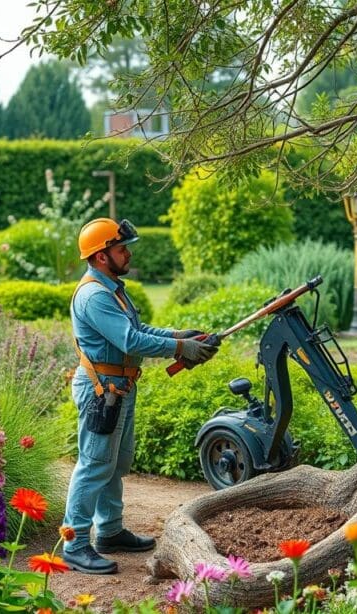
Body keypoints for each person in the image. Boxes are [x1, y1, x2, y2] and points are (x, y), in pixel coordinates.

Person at [62, 217, 218, 574]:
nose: (128, 253)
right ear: (101, 256)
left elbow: (137, 329)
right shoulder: (93, 295)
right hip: (102, 390)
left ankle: (111, 531)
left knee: (114, 464)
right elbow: (130, 341)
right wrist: (181, 347)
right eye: (121, 248)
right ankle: (75, 543)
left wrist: (180, 336)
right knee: (94, 465)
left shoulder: (112, 288)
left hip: (119, 387)